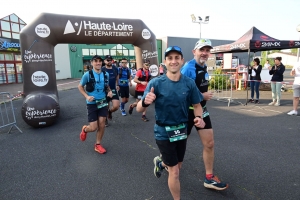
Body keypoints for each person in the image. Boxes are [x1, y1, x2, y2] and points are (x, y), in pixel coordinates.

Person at [136, 46, 205, 200]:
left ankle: (161, 163)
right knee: (174, 171)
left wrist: (199, 118)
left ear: (182, 61)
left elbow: (197, 105)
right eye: (170, 58)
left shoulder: (189, 83)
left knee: (178, 166)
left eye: (177, 58)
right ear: (165, 62)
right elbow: (139, 109)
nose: (173, 61)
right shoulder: (156, 83)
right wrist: (145, 103)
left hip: (182, 130)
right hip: (163, 131)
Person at [181, 39, 228, 191]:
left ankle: (209, 178)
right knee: (179, 145)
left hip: (201, 110)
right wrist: (202, 96)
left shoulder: (204, 66)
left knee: (209, 143)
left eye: (207, 50)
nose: (205, 53)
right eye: (202, 50)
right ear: (194, 51)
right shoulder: (188, 68)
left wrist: (202, 99)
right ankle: (163, 162)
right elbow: (180, 93)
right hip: (186, 112)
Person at [78, 55, 113, 154]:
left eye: (99, 61)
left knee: (102, 124)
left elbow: (107, 86)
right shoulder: (87, 75)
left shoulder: (106, 74)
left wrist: (109, 91)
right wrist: (86, 96)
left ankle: (98, 144)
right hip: (92, 103)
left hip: (102, 102)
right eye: (96, 61)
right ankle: (85, 129)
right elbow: (80, 86)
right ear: (92, 63)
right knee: (93, 128)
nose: (98, 63)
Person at [102, 55, 120, 126]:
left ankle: (110, 112)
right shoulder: (102, 69)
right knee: (106, 105)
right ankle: (106, 118)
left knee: (116, 106)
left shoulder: (115, 68)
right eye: (108, 60)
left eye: (110, 60)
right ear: (104, 61)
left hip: (113, 89)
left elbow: (117, 76)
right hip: (104, 90)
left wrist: (117, 84)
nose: (109, 61)